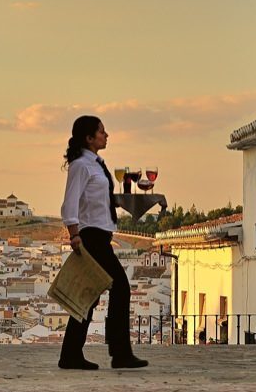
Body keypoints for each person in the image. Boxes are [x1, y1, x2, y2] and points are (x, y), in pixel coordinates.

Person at [58, 115, 148, 370]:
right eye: (101, 132)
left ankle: (70, 354)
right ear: (89, 138)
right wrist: (74, 235)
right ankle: (120, 354)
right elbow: (70, 203)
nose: (106, 135)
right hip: (91, 237)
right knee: (120, 288)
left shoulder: (96, 165)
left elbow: (99, 200)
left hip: (101, 236)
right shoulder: (81, 166)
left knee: (90, 296)